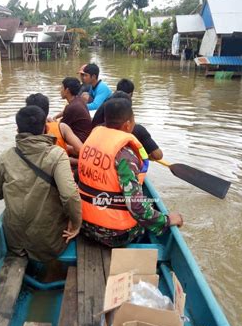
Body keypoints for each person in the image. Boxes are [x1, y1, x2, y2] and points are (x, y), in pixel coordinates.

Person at [78, 98, 183, 247]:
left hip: (83, 224)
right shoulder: (125, 156)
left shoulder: (91, 141)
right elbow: (137, 207)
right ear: (128, 124)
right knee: (148, 207)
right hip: (111, 235)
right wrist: (167, 220)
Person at [0, 105, 82, 262]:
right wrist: (77, 224)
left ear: (17, 130)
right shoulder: (57, 155)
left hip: (15, 244)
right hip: (49, 244)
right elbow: (70, 195)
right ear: (45, 127)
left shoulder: (6, 156)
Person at [91, 79, 163, 160]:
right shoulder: (138, 130)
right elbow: (158, 155)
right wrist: (145, 156)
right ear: (127, 124)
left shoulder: (97, 128)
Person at [56, 77, 92, 143]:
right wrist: (55, 117)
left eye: (62, 88)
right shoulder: (78, 100)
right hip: (87, 137)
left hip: (80, 141)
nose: (60, 90)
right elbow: (66, 111)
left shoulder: (72, 107)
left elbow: (60, 128)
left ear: (67, 90)